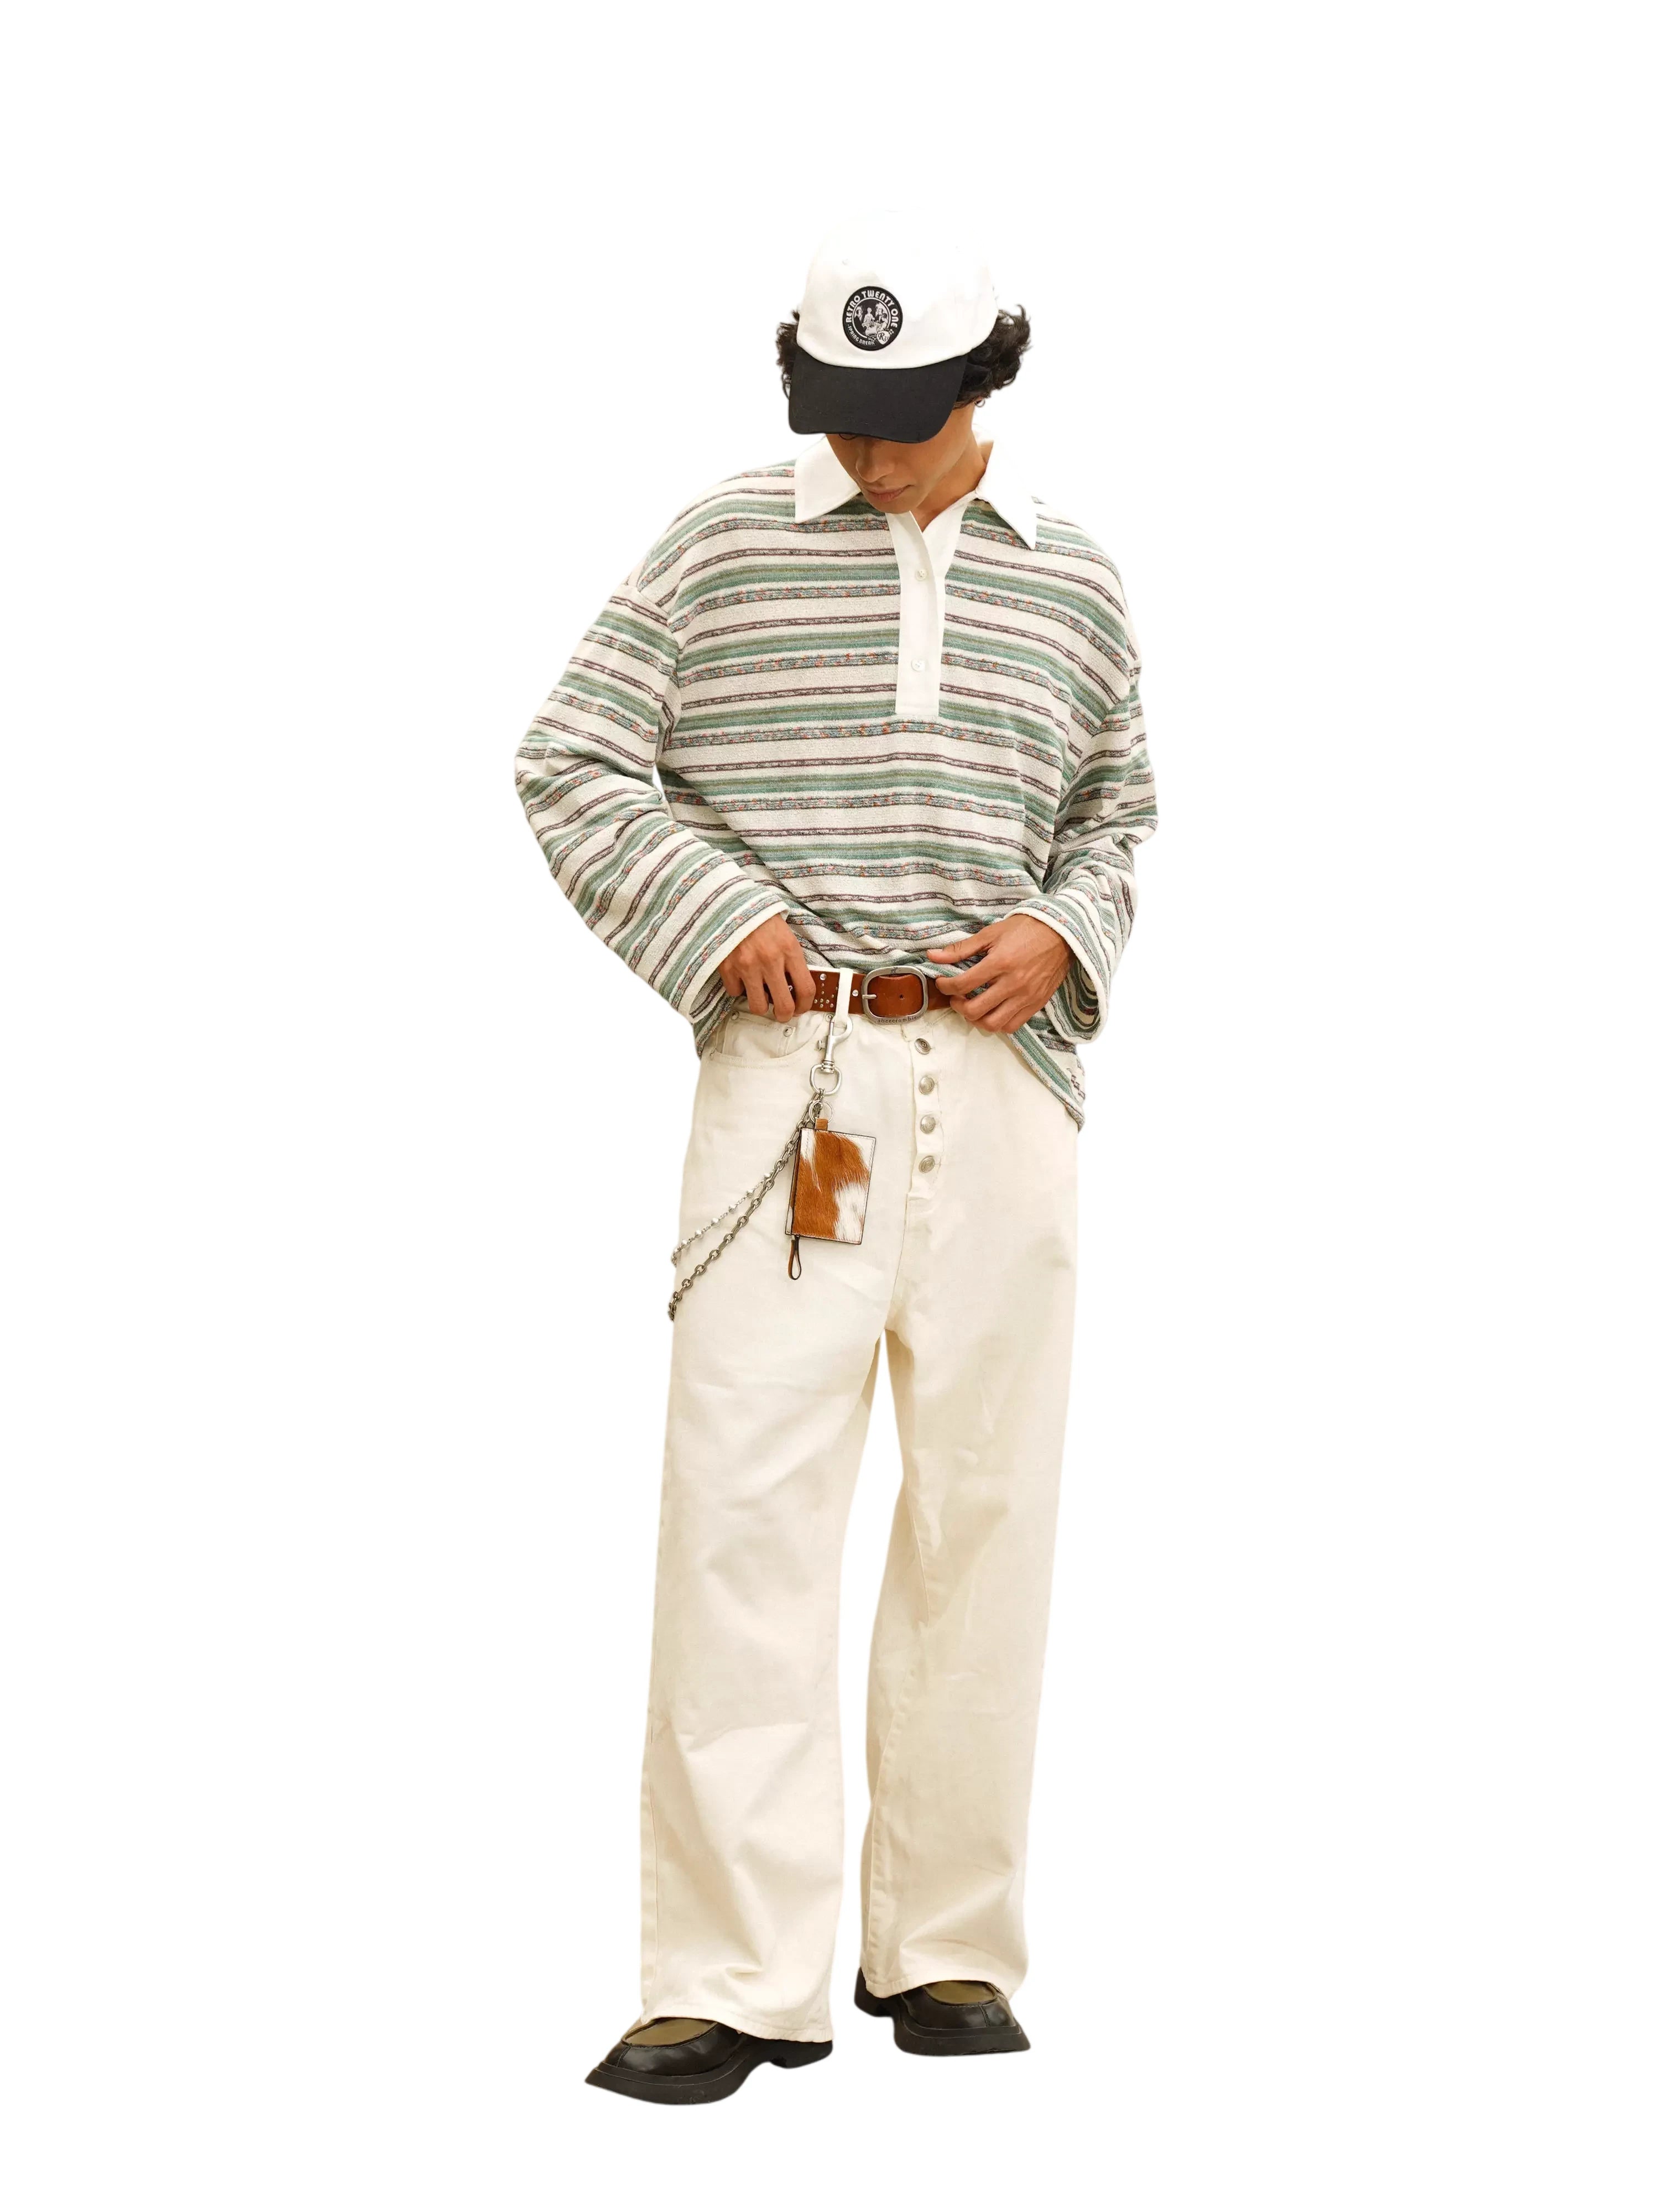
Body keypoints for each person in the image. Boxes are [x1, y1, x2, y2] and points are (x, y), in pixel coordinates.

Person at [515, 210, 1157, 2105]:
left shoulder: (1074, 580)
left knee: (989, 1517)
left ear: (989, 378)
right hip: (793, 1083)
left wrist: (1070, 929)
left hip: (1006, 1085)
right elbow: (570, 756)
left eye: (911, 409)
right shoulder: (723, 543)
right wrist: (714, 913)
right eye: (841, 408)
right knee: (744, 1516)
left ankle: (946, 1946)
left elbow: (1120, 805)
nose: (871, 448)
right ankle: (725, 1978)